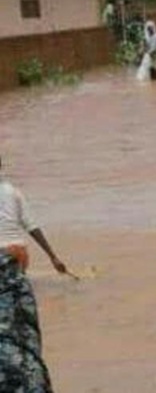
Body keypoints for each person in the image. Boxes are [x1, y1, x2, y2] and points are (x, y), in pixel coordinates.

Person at [0, 156, 70, 391]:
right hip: (18, 252)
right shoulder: (13, 191)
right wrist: (53, 257)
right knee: (16, 309)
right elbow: (31, 225)